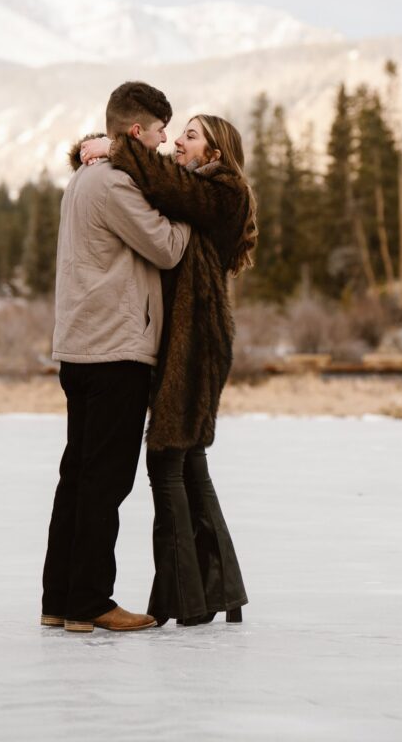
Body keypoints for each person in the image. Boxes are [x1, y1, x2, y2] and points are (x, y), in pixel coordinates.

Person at [79, 114, 257, 626]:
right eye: (180, 132)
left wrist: (113, 147)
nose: (179, 140)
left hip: (194, 345)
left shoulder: (222, 190)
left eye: (191, 135)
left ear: (216, 153)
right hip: (187, 341)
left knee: (166, 463)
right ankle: (220, 593)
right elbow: (149, 189)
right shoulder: (195, 192)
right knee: (189, 464)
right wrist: (100, 154)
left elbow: (159, 182)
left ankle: (185, 600)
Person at [41, 82, 190, 633]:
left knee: (77, 477)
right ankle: (89, 604)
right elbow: (169, 248)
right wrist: (186, 206)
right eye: (158, 132)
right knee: (105, 480)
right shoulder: (114, 184)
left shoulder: (85, 177)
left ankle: (59, 600)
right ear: (135, 132)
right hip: (114, 350)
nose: (165, 141)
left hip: (82, 347)